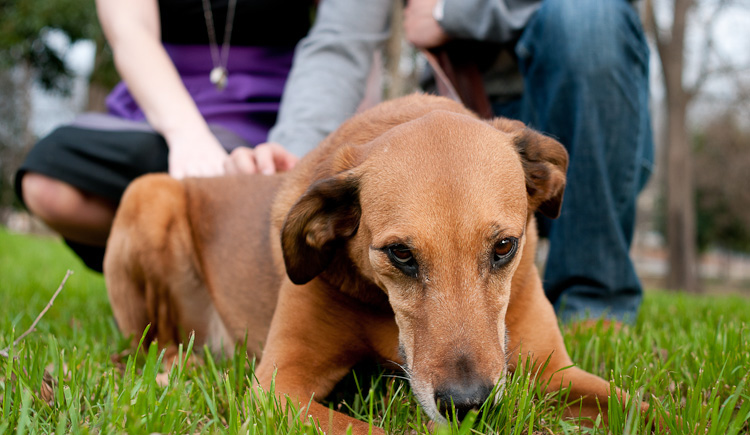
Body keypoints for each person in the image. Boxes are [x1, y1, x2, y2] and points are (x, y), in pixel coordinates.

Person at [244, 0, 654, 325]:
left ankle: (594, 305)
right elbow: (342, 39)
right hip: (453, 112)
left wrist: (452, 13)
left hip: (591, 118)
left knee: (588, 16)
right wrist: (294, 147)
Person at [15, 0, 309, 271]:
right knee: (48, 180)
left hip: (271, 110)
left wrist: (297, 142)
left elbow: (342, 34)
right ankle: (173, 274)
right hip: (160, 105)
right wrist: (187, 136)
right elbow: (130, 31)